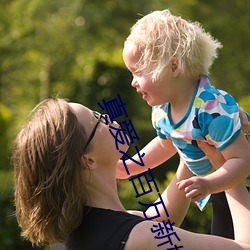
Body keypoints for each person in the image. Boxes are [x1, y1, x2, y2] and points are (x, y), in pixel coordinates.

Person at [13, 98, 250, 250]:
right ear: (88, 160)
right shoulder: (138, 238)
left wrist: (190, 138)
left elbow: (160, 222)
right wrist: (226, 165)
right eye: (98, 120)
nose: (109, 118)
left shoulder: (76, 232)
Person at [119, 9, 250, 239]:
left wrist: (209, 184)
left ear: (173, 67)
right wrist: (128, 167)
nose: (132, 83)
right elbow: (166, 145)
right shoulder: (162, 110)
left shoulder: (210, 109)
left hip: (239, 186)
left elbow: (242, 160)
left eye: (138, 72)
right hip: (220, 190)